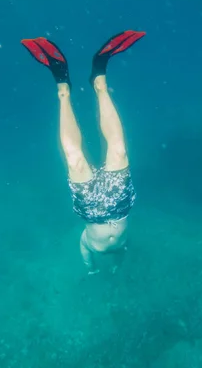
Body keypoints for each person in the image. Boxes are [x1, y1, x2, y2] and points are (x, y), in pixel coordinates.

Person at [20, 30, 146, 274]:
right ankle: (99, 80)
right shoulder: (122, 248)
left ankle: (63, 89)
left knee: (74, 160)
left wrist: (91, 268)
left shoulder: (88, 245)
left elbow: (86, 252)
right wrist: (113, 268)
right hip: (120, 207)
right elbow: (117, 253)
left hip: (91, 212)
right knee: (118, 151)